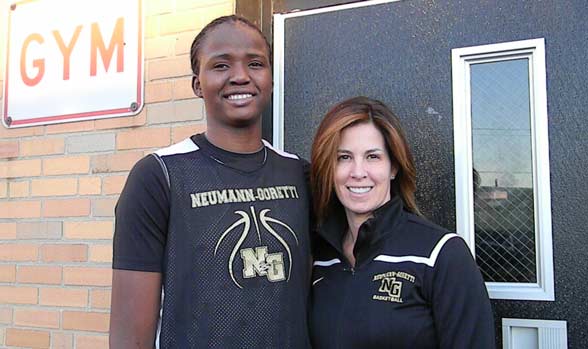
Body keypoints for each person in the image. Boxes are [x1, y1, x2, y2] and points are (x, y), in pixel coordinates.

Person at [110, 15, 312, 348]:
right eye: (220, 66)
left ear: (271, 80)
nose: (240, 76)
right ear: (197, 84)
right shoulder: (159, 176)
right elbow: (129, 337)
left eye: (255, 63)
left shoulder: (300, 176)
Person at [309, 96, 495, 348]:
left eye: (373, 157)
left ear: (393, 167)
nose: (358, 172)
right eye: (343, 157)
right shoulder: (318, 257)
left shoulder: (441, 254)